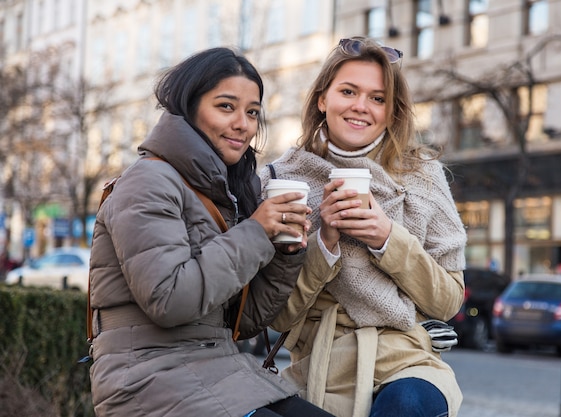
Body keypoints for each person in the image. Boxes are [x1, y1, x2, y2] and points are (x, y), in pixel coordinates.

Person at [88, 47, 335, 417]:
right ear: (189, 108)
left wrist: (285, 253)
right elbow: (169, 301)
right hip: (146, 377)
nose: (243, 124)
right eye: (225, 106)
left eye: (252, 112)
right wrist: (255, 231)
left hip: (216, 367)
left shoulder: (225, 192)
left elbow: (242, 322)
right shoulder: (148, 182)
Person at [260, 37, 467, 417]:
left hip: (407, 363)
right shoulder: (280, 181)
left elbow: (448, 301)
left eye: (377, 98)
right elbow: (276, 316)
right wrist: (324, 242)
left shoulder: (423, 176)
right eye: (349, 91)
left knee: (406, 404)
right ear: (322, 99)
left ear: (392, 111)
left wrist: (387, 238)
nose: (361, 106)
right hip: (315, 369)